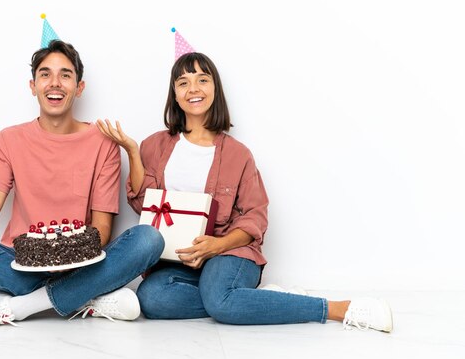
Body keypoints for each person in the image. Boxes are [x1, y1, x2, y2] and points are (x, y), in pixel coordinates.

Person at [97, 52, 393, 332]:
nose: (193, 89)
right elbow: (141, 203)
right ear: (174, 93)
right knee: (151, 298)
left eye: (202, 80)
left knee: (220, 300)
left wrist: (217, 245)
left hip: (230, 253)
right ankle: (255, 299)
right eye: (183, 82)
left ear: (215, 89)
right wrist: (132, 152)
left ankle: (337, 309)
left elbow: (255, 217)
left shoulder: (238, 154)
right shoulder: (154, 145)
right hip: (179, 261)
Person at [0, 40, 164, 329]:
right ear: (33, 85)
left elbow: (102, 230)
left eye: (65, 75)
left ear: (79, 87)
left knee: (148, 239)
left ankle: (20, 307)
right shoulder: (8, 140)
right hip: (20, 264)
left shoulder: (103, 143)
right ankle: (85, 297)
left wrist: (67, 258)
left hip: (82, 263)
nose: (55, 83)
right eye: (45, 74)